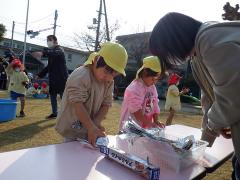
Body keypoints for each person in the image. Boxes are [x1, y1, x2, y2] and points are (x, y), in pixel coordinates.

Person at [149, 12, 240, 179]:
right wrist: (205, 138)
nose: (168, 59)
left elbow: (232, 96)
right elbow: (209, 96)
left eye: (165, 53)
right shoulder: (197, 54)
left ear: (174, 41)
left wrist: (212, 129)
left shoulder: (209, 39)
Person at [55, 42, 128, 146]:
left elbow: (106, 104)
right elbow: (77, 104)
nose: (109, 78)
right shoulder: (81, 75)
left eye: (114, 74)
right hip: (72, 126)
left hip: (89, 127)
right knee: (70, 152)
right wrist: (91, 127)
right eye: (106, 72)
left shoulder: (109, 81)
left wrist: (95, 124)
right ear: (96, 60)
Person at [119, 56, 165, 131]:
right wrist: (150, 124)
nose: (154, 82)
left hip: (143, 126)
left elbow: (155, 103)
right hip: (130, 127)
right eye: (153, 79)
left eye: (156, 80)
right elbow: (136, 111)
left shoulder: (152, 87)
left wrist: (156, 120)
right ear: (145, 72)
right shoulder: (135, 88)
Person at [32, 35, 68, 119]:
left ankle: (66, 114)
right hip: (53, 79)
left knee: (64, 98)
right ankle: (54, 113)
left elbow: (55, 53)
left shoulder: (59, 50)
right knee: (52, 96)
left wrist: (42, 53)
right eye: (47, 40)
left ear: (55, 40)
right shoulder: (51, 53)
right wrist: (39, 75)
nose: (48, 42)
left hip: (62, 78)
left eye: (49, 40)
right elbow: (49, 67)